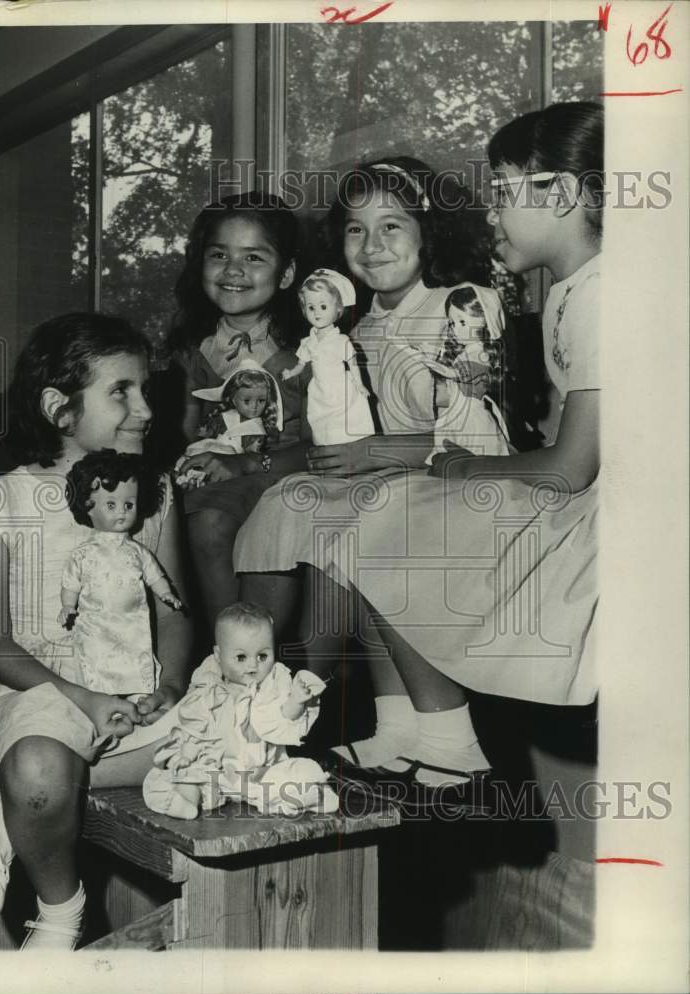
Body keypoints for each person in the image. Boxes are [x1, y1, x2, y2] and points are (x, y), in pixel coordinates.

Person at [239, 102, 601, 798]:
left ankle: (428, 734)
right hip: (540, 482)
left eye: (504, 192)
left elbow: (562, 464)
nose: (492, 213)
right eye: (356, 230)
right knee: (327, 507)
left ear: (560, 194)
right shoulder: (567, 291)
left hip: (581, 507)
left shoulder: (577, 297)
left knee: (387, 507)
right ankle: (391, 718)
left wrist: (451, 463)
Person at [236, 155, 493, 755]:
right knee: (286, 505)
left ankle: (452, 740)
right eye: (356, 228)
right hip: (386, 480)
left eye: (393, 226)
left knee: (374, 522)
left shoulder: (459, 308)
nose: (372, 245)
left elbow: (478, 440)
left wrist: (368, 451)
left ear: (431, 232)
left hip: (465, 483)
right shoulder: (354, 325)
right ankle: (385, 723)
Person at [0, 313, 194, 949]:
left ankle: (4, 824)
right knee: (38, 767)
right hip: (31, 686)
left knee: (248, 727)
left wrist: (169, 685)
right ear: (60, 410)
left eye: (144, 389)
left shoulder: (154, 493)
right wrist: (82, 698)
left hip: (130, 677)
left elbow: (173, 611)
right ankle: (61, 910)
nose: (145, 408)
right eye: (121, 391)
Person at [169, 191, 312, 626]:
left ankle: (251, 660)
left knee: (242, 523)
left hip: (284, 474)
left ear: (286, 274)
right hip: (216, 480)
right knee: (195, 518)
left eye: (253, 257)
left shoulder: (305, 353)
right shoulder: (193, 351)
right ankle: (221, 655)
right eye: (219, 254)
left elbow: (321, 446)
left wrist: (248, 462)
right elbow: (186, 433)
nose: (233, 270)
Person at [143, 602, 339, 819]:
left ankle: (310, 794)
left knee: (300, 777)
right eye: (241, 657)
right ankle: (187, 801)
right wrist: (189, 752)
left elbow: (281, 720)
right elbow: (195, 725)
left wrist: (296, 701)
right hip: (218, 771)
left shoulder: (273, 685)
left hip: (260, 773)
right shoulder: (210, 687)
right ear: (218, 656)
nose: (253, 666)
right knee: (182, 774)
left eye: (262, 656)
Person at [60, 448, 185, 696]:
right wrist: (67, 606)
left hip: (133, 621)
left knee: (134, 657)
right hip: (96, 622)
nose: (122, 512)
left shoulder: (136, 551)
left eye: (128, 504)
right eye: (110, 504)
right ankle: (102, 696)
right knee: (97, 660)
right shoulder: (84, 553)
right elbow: (71, 582)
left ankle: (138, 693)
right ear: (88, 507)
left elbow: (154, 575)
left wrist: (166, 594)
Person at [282, 268, 374, 444]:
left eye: (323, 306)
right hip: (319, 391)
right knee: (323, 427)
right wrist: (291, 372)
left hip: (340, 389)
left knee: (346, 425)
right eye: (311, 307)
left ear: (338, 308)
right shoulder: (308, 342)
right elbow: (301, 364)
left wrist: (359, 385)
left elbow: (353, 364)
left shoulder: (341, 340)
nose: (317, 313)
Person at [425, 283, 510, 459]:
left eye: (463, 322)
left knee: (476, 455)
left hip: (471, 415)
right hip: (457, 412)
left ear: (485, 320)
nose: (456, 329)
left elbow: (458, 373)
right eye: (453, 323)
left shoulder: (481, 353)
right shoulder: (465, 351)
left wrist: (435, 365)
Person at [175, 361, 283, 488]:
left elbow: (251, 455)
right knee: (192, 456)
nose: (254, 407)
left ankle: (195, 480)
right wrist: (206, 431)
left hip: (231, 458)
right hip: (211, 447)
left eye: (261, 401)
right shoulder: (226, 416)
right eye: (247, 401)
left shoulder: (257, 429)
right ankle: (182, 476)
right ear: (233, 400)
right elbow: (213, 429)